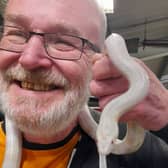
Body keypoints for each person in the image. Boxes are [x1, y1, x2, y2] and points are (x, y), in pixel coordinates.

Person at [0, 0, 168, 167]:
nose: (29, 59)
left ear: (99, 62)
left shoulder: (141, 155)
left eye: (63, 41)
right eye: (16, 34)